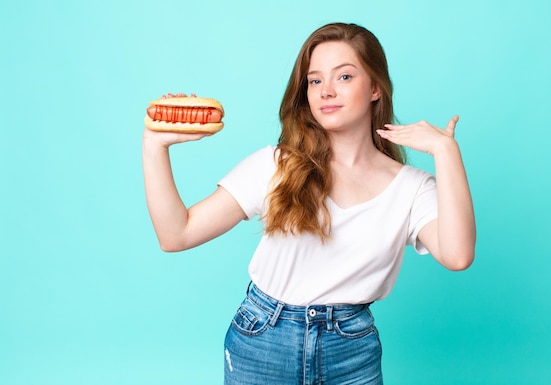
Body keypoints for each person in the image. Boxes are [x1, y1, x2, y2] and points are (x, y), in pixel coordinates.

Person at [142, 22, 475, 385]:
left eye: (344, 77)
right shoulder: (276, 165)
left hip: (351, 349)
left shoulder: (411, 188)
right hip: (263, 341)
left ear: (376, 87)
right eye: (315, 81)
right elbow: (176, 235)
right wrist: (154, 145)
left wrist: (446, 151)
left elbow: (458, 256)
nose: (326, 91)